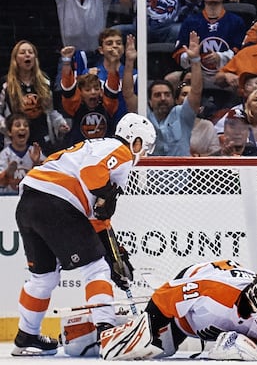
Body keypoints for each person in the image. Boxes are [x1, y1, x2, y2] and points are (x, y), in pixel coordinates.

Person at [12, 112, 155, 356]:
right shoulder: (120, 151)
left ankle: (26, 336)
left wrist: (115, 256)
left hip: (29, 202)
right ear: (136, 141)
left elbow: (97, 221)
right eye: (145, 147)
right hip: (56, 201)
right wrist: (107, 194)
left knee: (43, 279)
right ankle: (107, 331)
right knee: (96, 269)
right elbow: (91, 174)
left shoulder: (95, 147)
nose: (144, 154)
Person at [99, 260, 257, 360]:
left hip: (206, 315)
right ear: (255, 293)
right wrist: (149, 329)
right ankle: (102, 328)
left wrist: (244, 345)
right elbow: (164, 297)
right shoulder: (214, 289)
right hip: (193, 289)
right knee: (153, 348)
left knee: (166, 350)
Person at [170, 0, 247, 92]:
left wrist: (220, 57)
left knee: (242, 80)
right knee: (171, 79)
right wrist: (192, 57)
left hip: (226, 73)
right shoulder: (191, 22)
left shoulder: (236, 22)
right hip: (196, 72)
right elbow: (178, 53)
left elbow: (242, 53)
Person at [0, 41, 69, 155]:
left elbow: (51, 111)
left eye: (30, 52)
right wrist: (7, 128)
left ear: (35, 58)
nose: (27, 55)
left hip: (43, 139)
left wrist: (60, 123)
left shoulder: (44, 82)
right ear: (15, 59)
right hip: (17, 142)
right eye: (22, 52)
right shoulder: (6, 84)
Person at [148, 31, 202, 156]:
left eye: (167, 94)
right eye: (157, 95)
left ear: (173, 98)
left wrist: (195, 59)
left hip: (181, 175)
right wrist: (129, 62)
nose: (163, 98)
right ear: (149, 101)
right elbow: (128, 95)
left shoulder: (182, 114)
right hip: (150, 175)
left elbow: (196, 91)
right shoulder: (144, 115)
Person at [60, 44, 121, 146]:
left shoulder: (107, 106)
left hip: (104, 152)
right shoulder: (75, 106)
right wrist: (66, 61)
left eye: (96, 89)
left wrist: (113, 63)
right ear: (80, 93)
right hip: (80, 153)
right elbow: (68, 88)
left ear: (101, 91)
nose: (93, 92)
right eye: (88, 90)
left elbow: (113, 86)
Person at [0, 114, 43, 193]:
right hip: (8, 198)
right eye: (17, 125)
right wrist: (7, 173)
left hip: (31, 197)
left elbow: (45, 178)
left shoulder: (35, 152)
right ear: (9, 132)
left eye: (26, 125)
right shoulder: (4, 155)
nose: (22, 128)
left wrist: (36, 163)